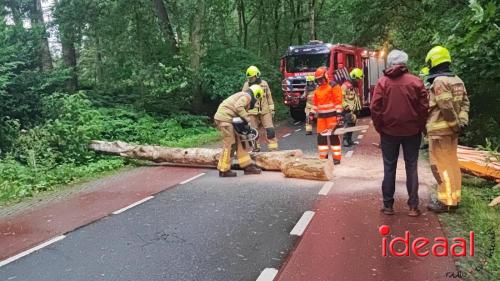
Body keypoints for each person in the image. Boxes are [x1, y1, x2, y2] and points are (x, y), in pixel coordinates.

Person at [370, 50, 429, 217]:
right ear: (405, 63)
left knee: (389, 167)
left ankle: (388, 206)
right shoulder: (416, 82)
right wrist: (420, 126)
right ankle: (413, 206)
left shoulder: (383, 82)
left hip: (389, 132)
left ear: (390, 63)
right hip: (412, 132)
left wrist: (380, 127)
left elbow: (375, 108)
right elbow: (424, 107)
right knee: (412, 166)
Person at [424, 46, 469, 213]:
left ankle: (446, 202)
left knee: (440, 166)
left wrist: (454, 124)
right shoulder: (457, 79)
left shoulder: (439, 81)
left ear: (433, 61)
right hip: (452, 132)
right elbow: (465, 103)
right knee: (452, 163)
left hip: (440, 132)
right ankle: (454, 197)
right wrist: (462, 122)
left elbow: (445, 106)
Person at [213, 85, 264, 177]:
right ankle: (223, 169)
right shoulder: (247, 97)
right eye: (257, 99)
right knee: (230, 145)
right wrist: (247, 119)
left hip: (229, 119)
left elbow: (238, 110)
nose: (256, 102)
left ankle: (247, 165)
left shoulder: (244, 95)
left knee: (240, 142)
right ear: (256, 95)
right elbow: (238, 106)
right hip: (225, 119)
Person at [242, 66, 278, 152]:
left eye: (252, 77)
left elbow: (269, 96)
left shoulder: (264, 84)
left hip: (265, 111)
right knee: (253, 132)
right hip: (251, 112)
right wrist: (244, 112)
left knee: (270, 130)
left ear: (257, 75)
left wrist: (272, 109)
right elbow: (243, 98)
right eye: (249, 78)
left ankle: (273, 148)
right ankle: (255, 148)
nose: (250, 79)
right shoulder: (246, 85)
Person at [313, 66, 343, 164]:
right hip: (321, 119)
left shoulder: (333, 86)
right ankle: (323, 158)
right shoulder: (317, 90)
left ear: (325, 76)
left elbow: (338, 101)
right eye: (318, 80)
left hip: (332, 117)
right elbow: (315, 104)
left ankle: (336, 158)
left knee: (333, 137)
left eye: (321, 79)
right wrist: (311, 114)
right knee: (321, 139)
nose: (320, 81)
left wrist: (339, 115)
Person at [341, 68, 363, 146]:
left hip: (353, 110)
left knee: (352, 125)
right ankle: (345, 141)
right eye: (357, 78)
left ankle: (349, 140)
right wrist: (346, 106)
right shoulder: (345, 86)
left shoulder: (354, 85)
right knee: (348, 125)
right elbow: (341, 98)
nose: (358, 80)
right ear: (353, 76)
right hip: (348, 110)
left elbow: (356, 98)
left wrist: (358, 109)